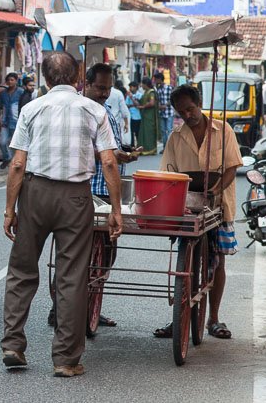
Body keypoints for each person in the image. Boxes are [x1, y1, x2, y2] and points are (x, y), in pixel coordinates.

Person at [1, 52, 123, 378]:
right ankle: (66, 360)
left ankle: (13, 344)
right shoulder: (94, 110)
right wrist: (115, 209)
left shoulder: (31, 108)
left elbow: (16, 164)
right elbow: (109, 162)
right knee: (72, 277)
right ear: (78, 76)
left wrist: (10, 209)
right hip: (76, 197)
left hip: (35, 194)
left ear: (44, 78)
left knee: (22, 271)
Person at [46, 64, 138, 328]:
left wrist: (123, 153)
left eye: (108, 89)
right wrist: (114, 155)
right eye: (100, 88)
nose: (104, 94)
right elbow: (77, 148)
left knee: (106, 254)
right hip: (84, 190)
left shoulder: (106, 111)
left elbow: (112, 150)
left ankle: (90, 305)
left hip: (107, 190)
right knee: (74, 255)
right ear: (84, 84)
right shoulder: (78, 111)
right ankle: (60, 310)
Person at [154, 85, 242, 340]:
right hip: (187, 206)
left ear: (199, 103)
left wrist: (213, 190)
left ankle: (213, 318)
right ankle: (180, 316)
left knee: (217, 262)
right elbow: (168, 173)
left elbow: (231, 168)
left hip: (219, 204)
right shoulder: (175, 137)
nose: (187, 115)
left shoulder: (223, 130)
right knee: (187, 263)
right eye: (181, 112)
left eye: (190, 109)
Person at [0, 72, 23, 169]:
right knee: (2, 142)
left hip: (17, 122)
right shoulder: (2, 94)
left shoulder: (21, 92)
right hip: (5, 122)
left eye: (12, 80)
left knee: (15, 144)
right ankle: (7, 158)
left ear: (16, 81)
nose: (10, 82)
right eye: (8, 80)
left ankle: (15, 163)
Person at [137, 78, 158, 155]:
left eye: (142, 84)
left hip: (150, 116)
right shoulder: (146, 92)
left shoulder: (151, 92)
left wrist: (143, 107)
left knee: (148, 132)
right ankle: (144, 149)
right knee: (144, 132)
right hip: (145, 115)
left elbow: (152, 103)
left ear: (146, 84)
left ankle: (150, 149)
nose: (141, 85)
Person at [154, 72, 173, 152]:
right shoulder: (158, 89)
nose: (155, 81)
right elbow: (157, 100)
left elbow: (172, 99)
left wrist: (165, 105)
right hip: (161, 113)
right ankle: (165, 147)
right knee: (163, 131)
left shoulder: (169, 88)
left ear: (159, 79)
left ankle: (169, 148)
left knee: (168, 130)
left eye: (156, 79)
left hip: (169, 112)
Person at [127, 82, 142, 146]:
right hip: (130, 116)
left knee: (137, 132)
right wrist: (133, 104)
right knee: (131, 132)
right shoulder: (129, 95)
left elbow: (138, 104)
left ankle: (139, 145)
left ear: (135, 87)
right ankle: (132, 145)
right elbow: (127, 105)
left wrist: (132, 98)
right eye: (130, 87)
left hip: (137, 116)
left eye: (131, 87)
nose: (130, 88)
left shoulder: (140, 95)